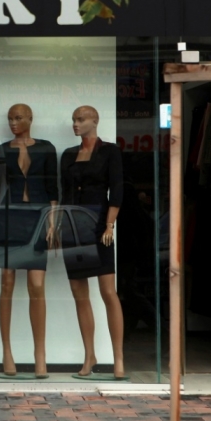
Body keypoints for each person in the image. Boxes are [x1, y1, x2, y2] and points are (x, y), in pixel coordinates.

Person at [0, 104, 58, 377]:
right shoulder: (0, 150)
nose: (13, 122)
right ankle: (7, 353)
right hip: (9, 217)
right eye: (10, 118)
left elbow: (53, 188)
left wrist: (53, 222)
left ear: (30, 118)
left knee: (36, 284)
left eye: (18, 118)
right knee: (7, 282)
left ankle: (40, 354)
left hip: (38, 218)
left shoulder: (46, 148)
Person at [59, 105, 124, 378]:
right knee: (79, 295)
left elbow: (117, 188)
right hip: (72, 226)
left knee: (108, 292)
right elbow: (64, 192)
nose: (75, 123)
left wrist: (110, 224)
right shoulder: (68, 155)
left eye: (81, 119)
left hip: (99, 226)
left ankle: (119, 359)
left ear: (95, 121)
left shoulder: (109, 151)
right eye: (74, 119)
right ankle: (89, 356)